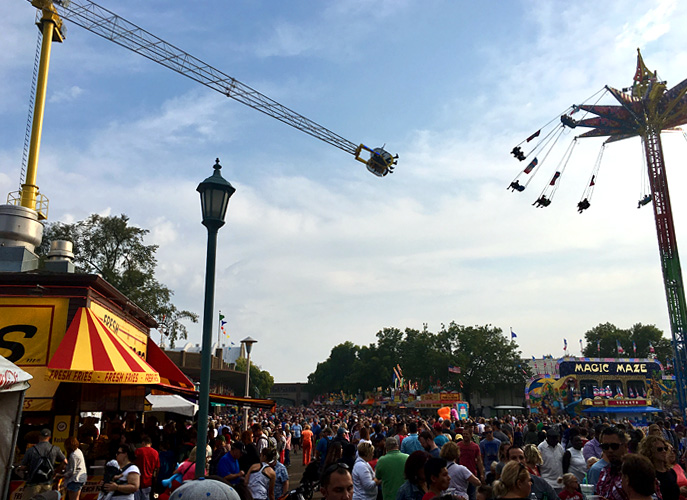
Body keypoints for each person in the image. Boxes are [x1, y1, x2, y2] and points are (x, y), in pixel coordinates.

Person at [19, 428, 67, 500]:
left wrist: (29, 468)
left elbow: (22, 466)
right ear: (50, 437)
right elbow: (65, 462)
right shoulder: (55, 449)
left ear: (39, 437)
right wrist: (56, 471)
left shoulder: (31, 450)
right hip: (48, 483)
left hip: (32, 483)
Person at [638, 434, 679, 500]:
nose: (664, 451)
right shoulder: (648, 474)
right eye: (659, 449)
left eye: (665, 448)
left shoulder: (671, 472)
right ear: (650, 452)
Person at [594, 427, 628, 500]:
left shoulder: (636, 471)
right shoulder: (604, 471)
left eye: (614, 446)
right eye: (605, 447)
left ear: (625, 446)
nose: (610, 450)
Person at [459, 427, 485, 500]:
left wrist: (482, 474)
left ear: (471, 435)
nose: (464, 435)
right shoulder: (458, 446)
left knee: (472, 496)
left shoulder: (475, 447)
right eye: (463, 434)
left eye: (466, 434)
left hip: (472, 474)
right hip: (461, 476)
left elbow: (479, 461)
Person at [135, 436, 159, 500]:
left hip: (137, 480)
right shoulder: (155, 453)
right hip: (148, 480)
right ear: (150, 444)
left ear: (143, 443)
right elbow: (157, 467)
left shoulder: (138, 451)